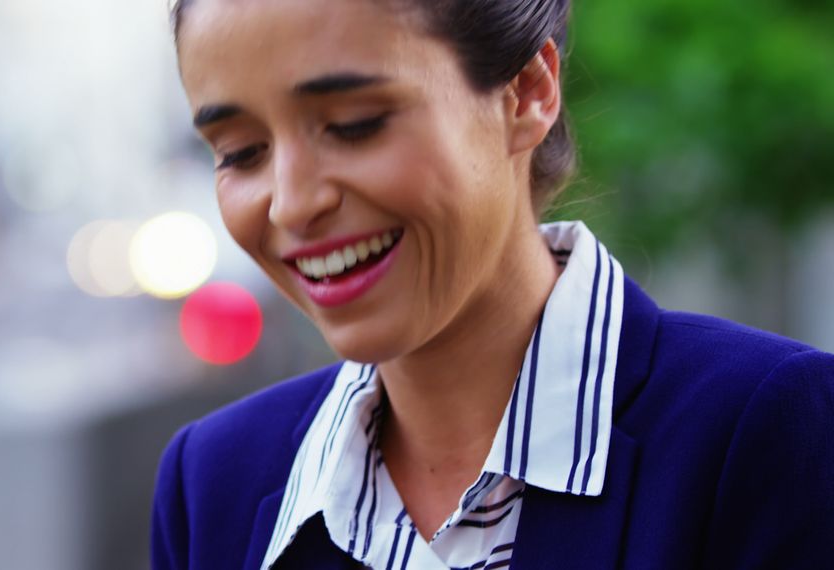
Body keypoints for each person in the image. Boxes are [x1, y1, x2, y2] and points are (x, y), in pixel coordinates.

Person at [151, 0, 834, 568]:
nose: (291, 204)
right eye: (241, 153)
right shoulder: (212, 485)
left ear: (528, 91)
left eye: (354, 126)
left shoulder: (768, 432)